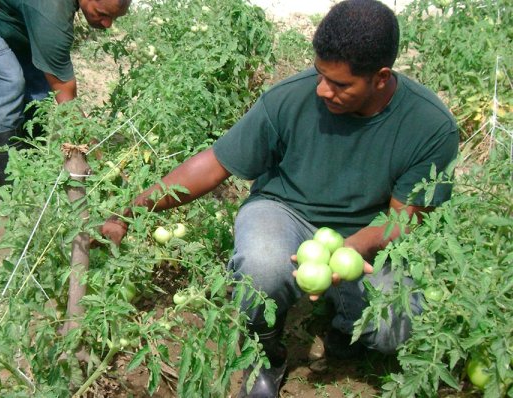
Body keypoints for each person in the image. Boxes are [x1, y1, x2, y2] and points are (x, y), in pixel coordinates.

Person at [100, 0, 459, 396]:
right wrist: (128, 212)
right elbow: (213, 164)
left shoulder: (430, 126)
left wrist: (349, 248)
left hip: (365, 232)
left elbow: (405, 217)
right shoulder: (292, 97)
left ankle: (345, 327)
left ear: (380, 77)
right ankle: (266, 353)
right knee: (262, 267)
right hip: (283, 209)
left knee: (395, 326)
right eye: (321, 74)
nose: (323, 90)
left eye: (340, 84)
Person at [0, 0, 131, 185]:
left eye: (115, 18)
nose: (107, 24)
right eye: (103, 14)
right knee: (6, 80)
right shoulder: (51, 12)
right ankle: (12, 191)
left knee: (37, 80)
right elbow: (68, 102)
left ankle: (34, 174)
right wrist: (100, 158)